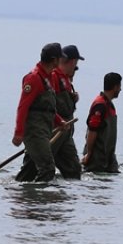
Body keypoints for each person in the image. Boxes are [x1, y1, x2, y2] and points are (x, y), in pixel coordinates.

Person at [13, 43, 66, 182]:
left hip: (44, 129)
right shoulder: (34, 78)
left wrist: (59, 121)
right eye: (60, 58)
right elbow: (23, 107)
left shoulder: (50, 78)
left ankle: (24, 195)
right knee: (48, 167)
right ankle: (40, 200)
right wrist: (18, 132)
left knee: (30, 171)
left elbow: (47, 108)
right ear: (54, 60)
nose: (61, 61)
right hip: (34, 132)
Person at [46, 44, 83, 179]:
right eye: (76, 63)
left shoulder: (65, 79)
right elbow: (49, 103)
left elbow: (63, 101)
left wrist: (73, 98)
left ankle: (66, 198)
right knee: (43, 165)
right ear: (73, 61)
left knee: (74, 169)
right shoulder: (54, 76)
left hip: (65, 133)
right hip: (55, 129)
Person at [82, 72, 122, 174]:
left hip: (108, 156)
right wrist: (89, 153)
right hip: (97, 157)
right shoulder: (100, 105)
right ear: (115, 87)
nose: (120, 90)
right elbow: (92, 131)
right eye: (119, 86)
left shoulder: (109, 105)